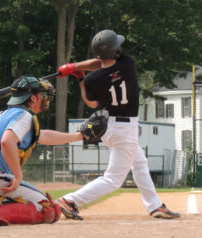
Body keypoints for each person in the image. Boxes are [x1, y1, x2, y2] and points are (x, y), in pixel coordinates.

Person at [56, 29, 181, 220]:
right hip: (125, 128)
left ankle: (155, 206)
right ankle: (70, 200)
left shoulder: (92, 79)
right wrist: (75, 67)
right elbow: (102, 62)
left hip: (109, 126)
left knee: (140, 163)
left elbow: (91, 102)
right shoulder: (127, 64)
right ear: (114, 51)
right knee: (113, 179)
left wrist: (78, 74)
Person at [0, 76, 84, 226]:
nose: (45, 99)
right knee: (49, 209)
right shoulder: (25, 116)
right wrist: (18, 175)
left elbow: (43, 135)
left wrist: (79, 136)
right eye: (42, 95)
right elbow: (7, 141)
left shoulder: (7, 115)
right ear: (33, 98)